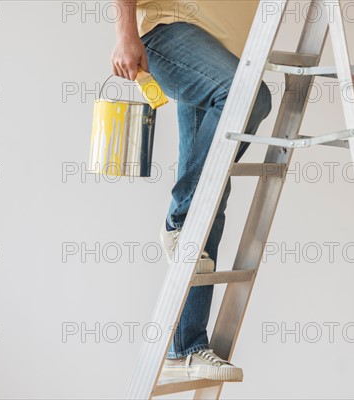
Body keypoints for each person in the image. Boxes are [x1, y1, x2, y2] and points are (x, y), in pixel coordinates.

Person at [111, 0, 272, 381]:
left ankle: (186, 346)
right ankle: (179, 220)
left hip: (221, 50)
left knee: (213, 195)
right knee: (249, 95)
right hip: (171, 30)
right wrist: (125, 34)